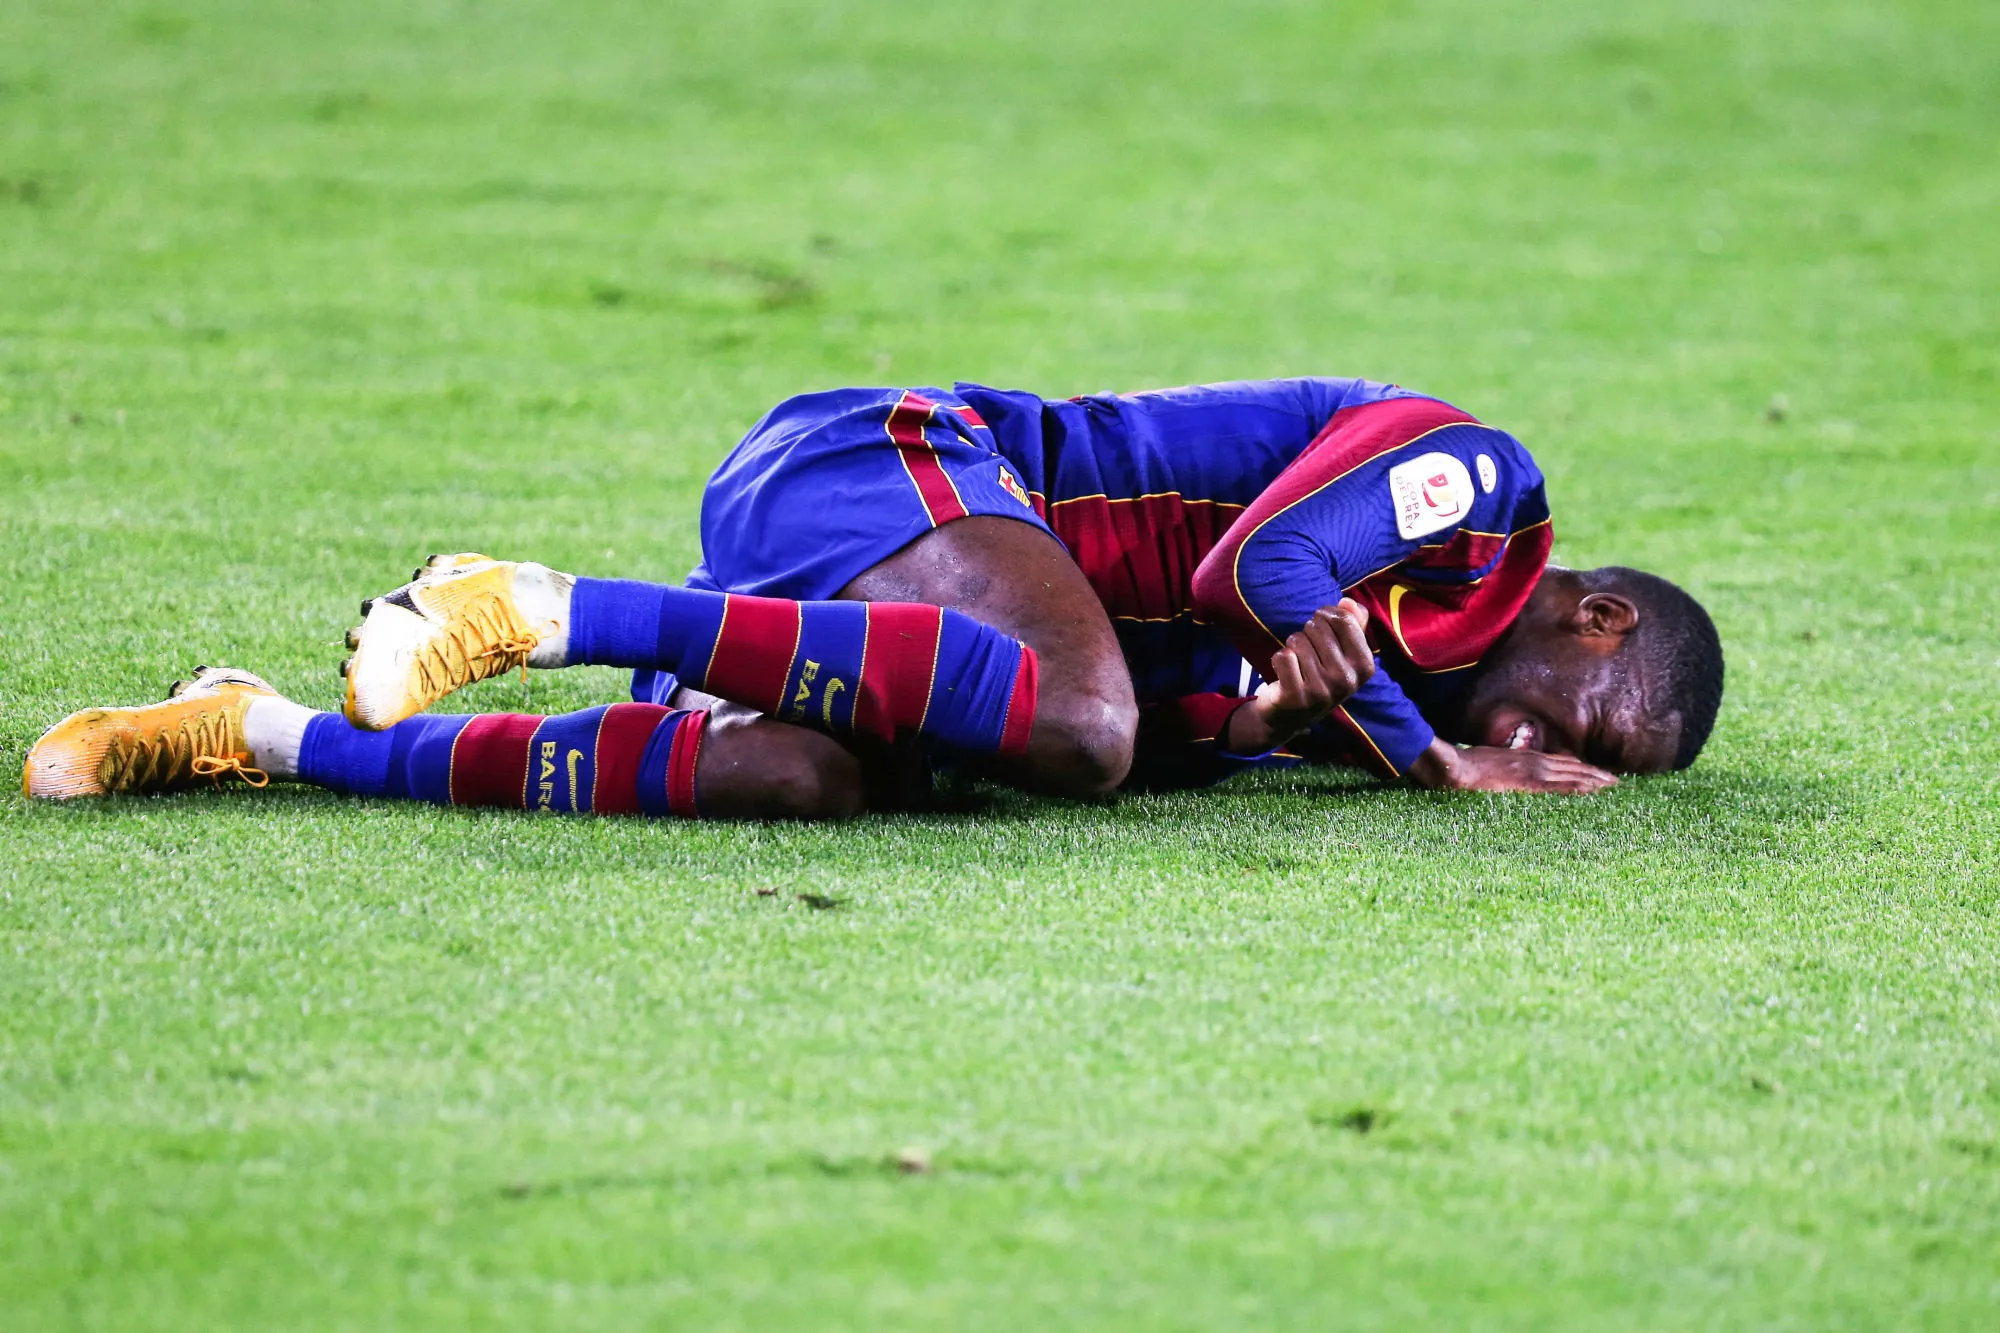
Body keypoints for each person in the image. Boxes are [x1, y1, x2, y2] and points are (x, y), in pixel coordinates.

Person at [23, 377, 1724, 818]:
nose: (1535, 751)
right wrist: (1430, 758)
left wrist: (1270, 718)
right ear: (1594, 620)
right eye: (1568, 731)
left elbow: (1178, 711)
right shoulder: (1482, 496)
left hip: (883, 590)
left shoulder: (1374, 681)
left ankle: (256, 731)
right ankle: (535, 604)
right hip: (888, 459)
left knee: (805, 779)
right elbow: (1252, 568)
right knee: (1075, 722)